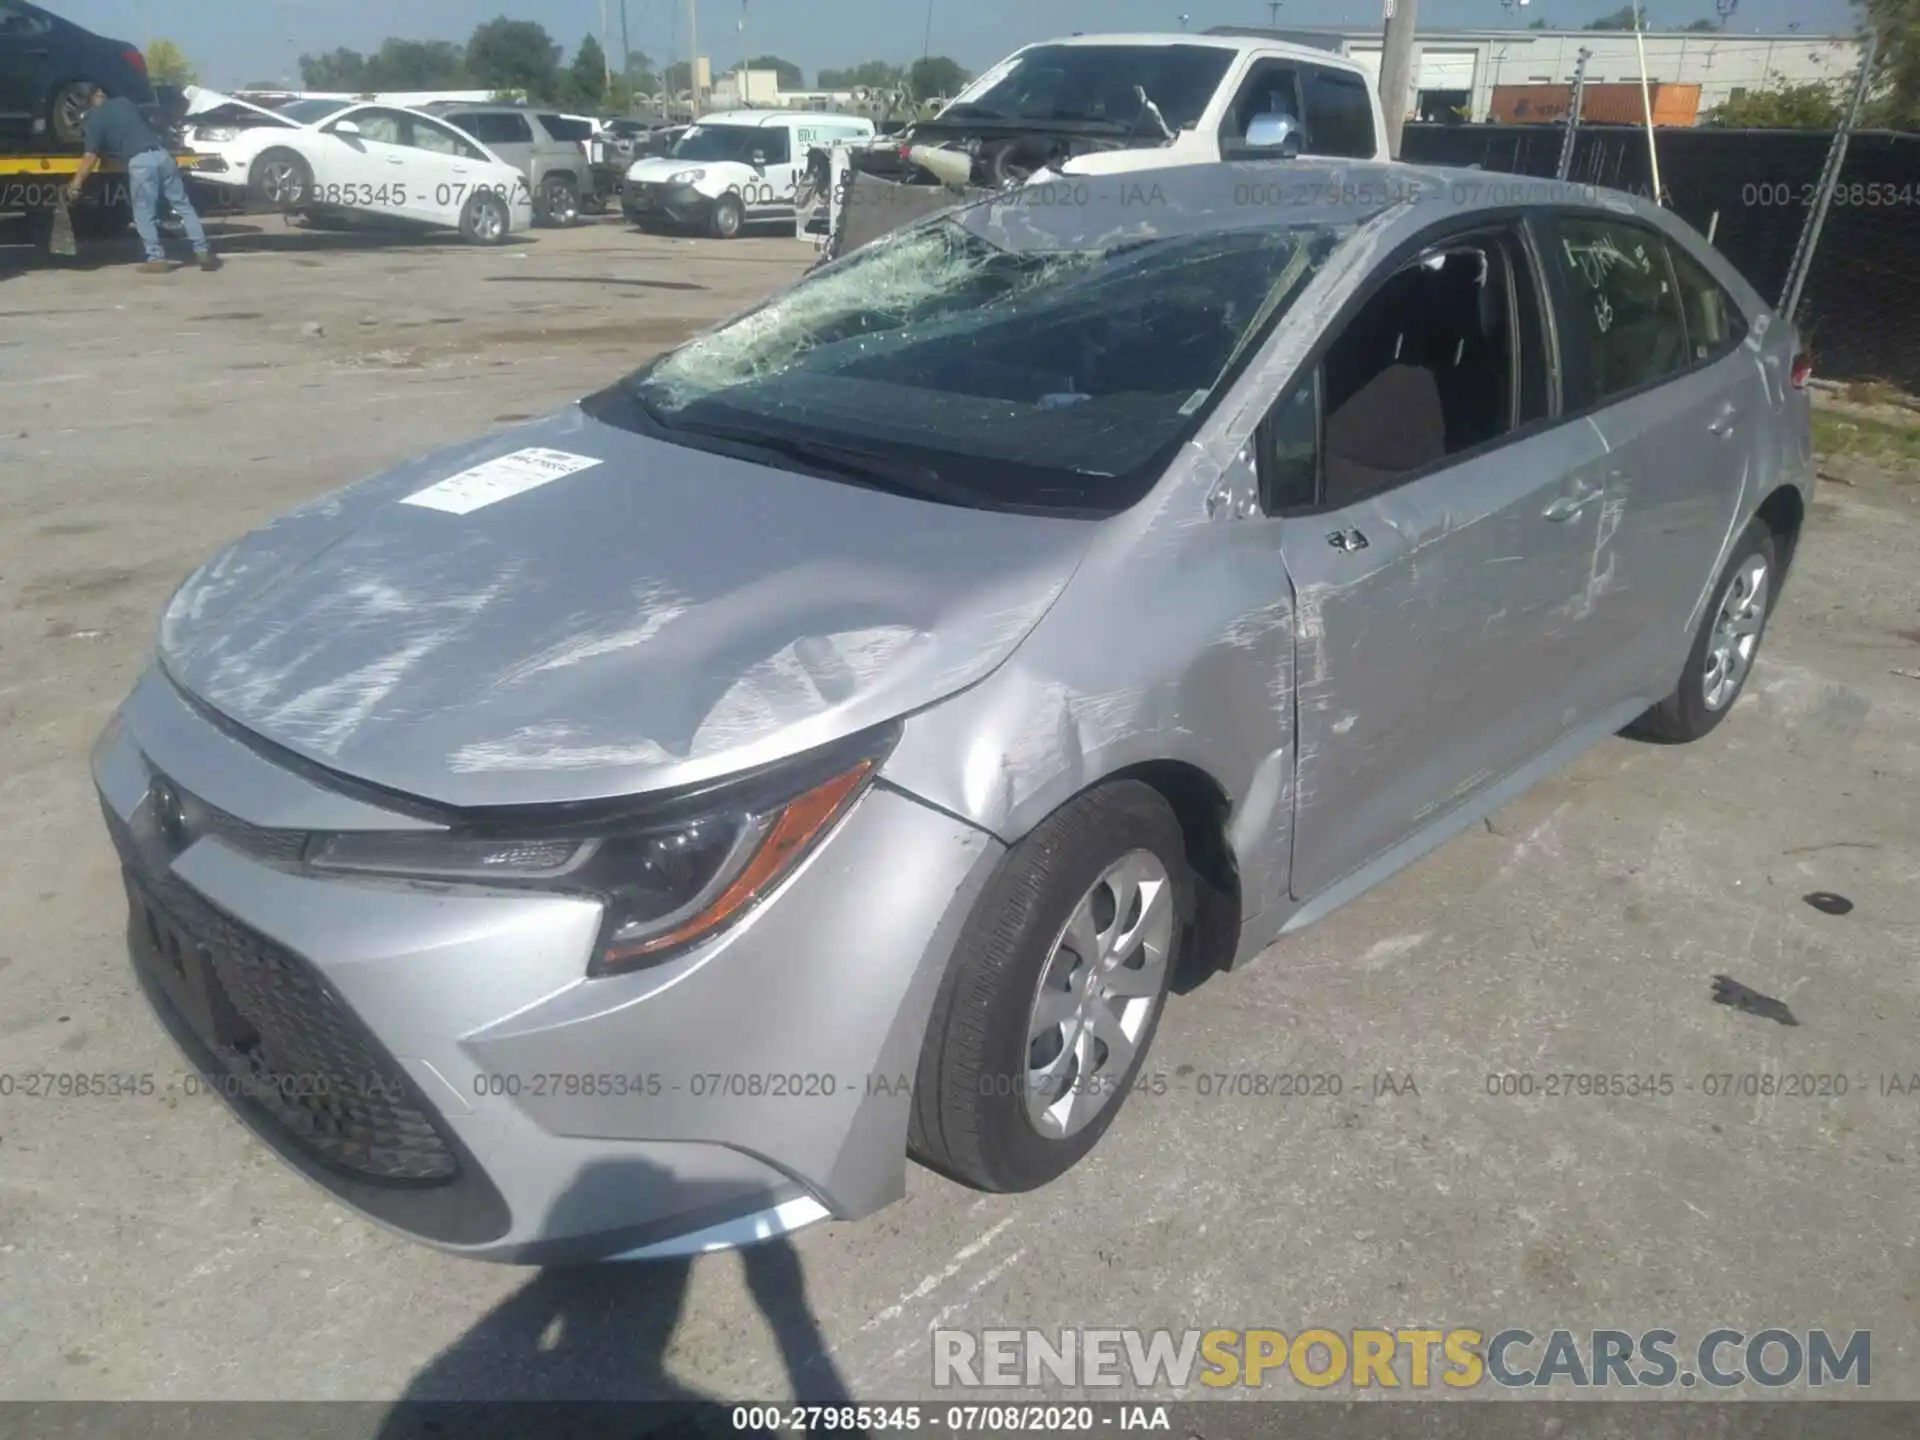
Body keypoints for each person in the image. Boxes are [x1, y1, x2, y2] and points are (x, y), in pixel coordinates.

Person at [65, 85, 218, 273]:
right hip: (163, 156)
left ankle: (156, 259)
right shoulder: (124, 103)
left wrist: (76, 183)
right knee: (183, 205)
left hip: (141, 163)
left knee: (144, 212)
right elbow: (146, 122)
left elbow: (90, 155)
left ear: (88, 102)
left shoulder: (95, 117)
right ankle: (203, 252)